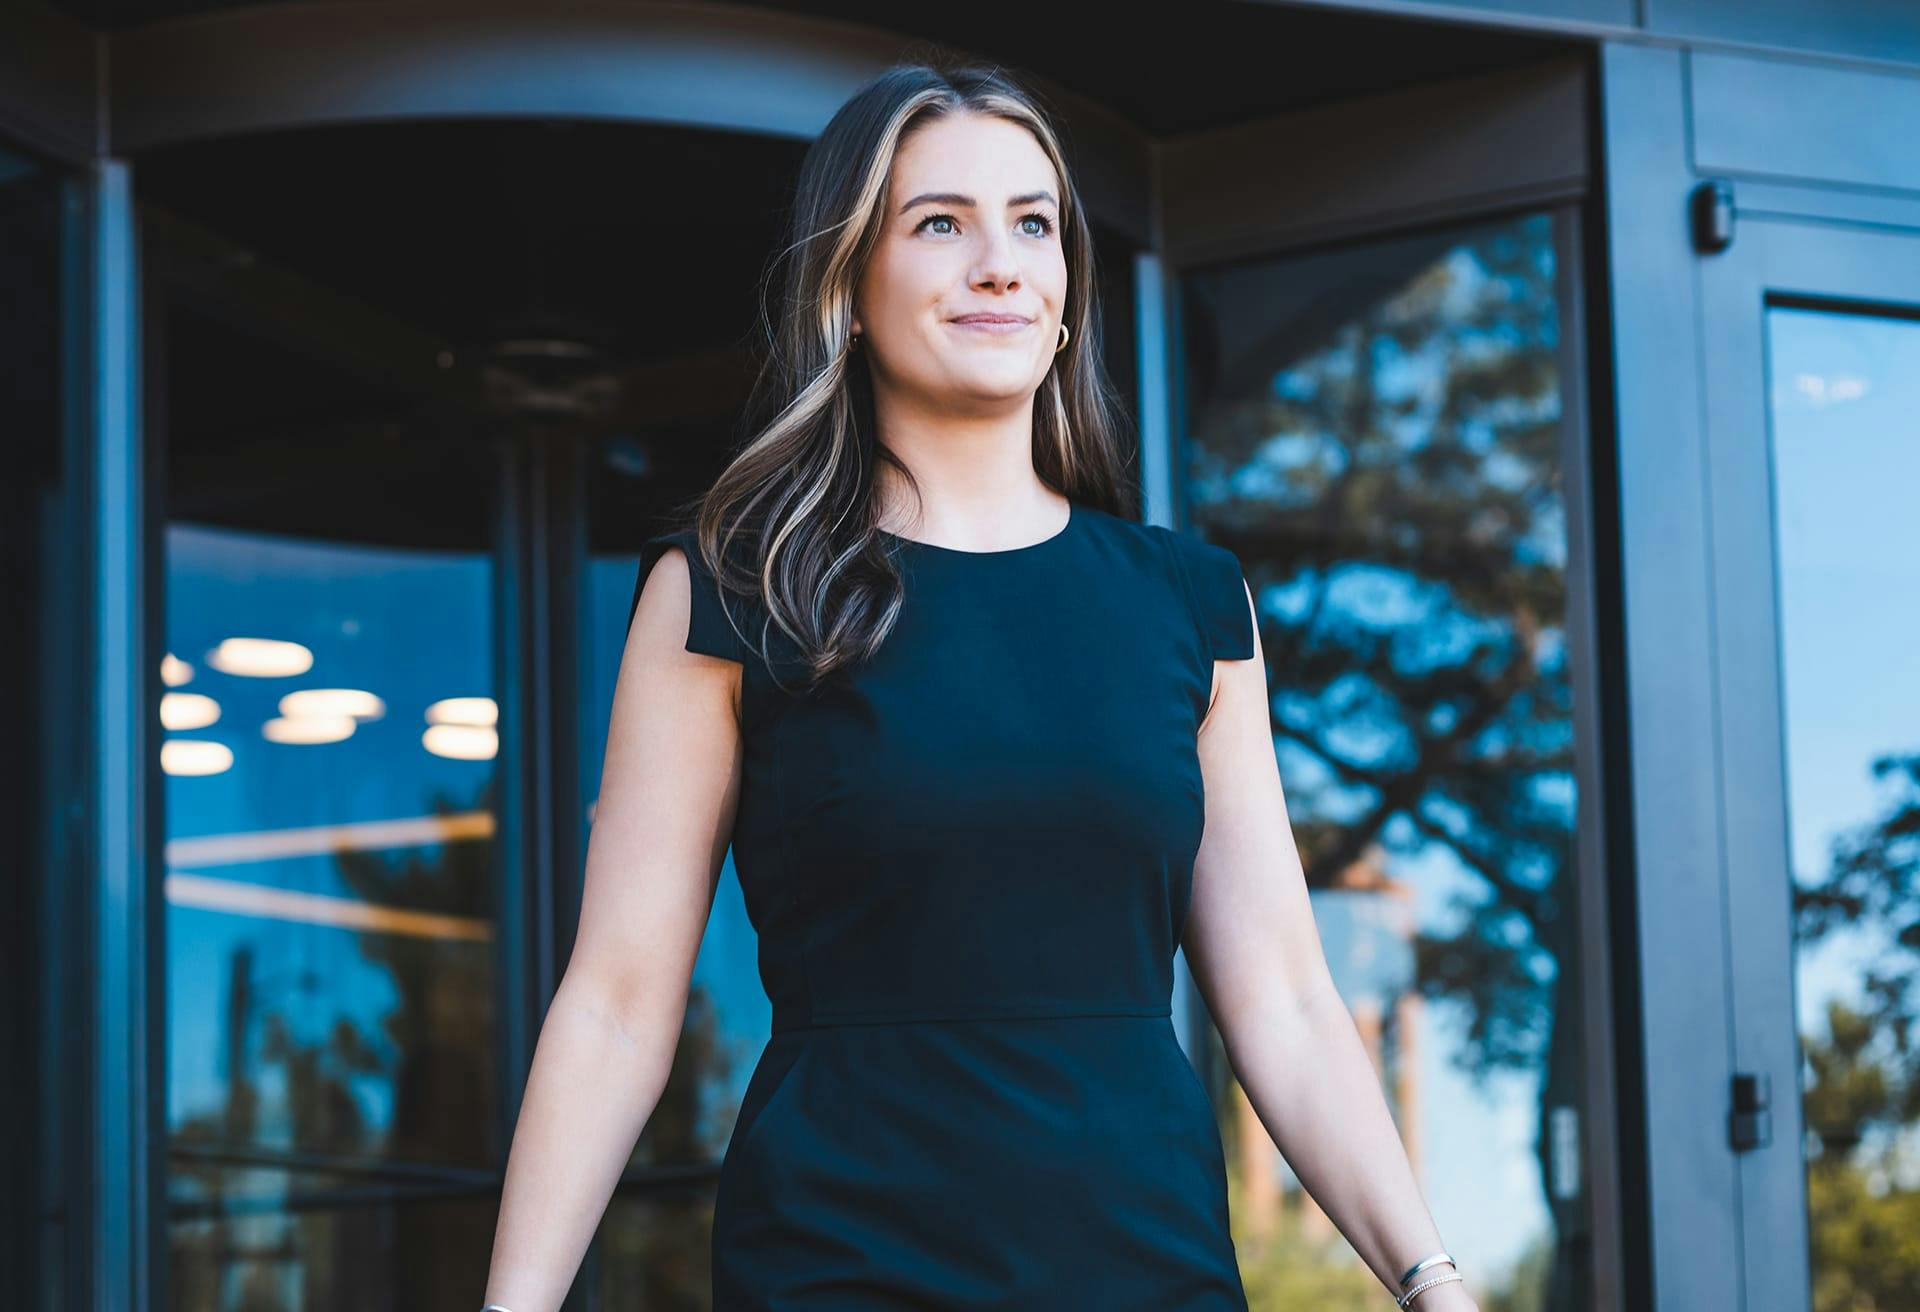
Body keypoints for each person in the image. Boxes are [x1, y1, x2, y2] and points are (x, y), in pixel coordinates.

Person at [480, 57, 1475, 1312]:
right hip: (839, 1267)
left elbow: (1282, 995)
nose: (999, 263)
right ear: (848, 288)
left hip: (1145, 1268)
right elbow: (619, 1001)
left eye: (1033, 224)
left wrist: (1431, 1283)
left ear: (1064, 294)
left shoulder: (1187, 603)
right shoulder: (731, 587)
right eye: (939, 223)